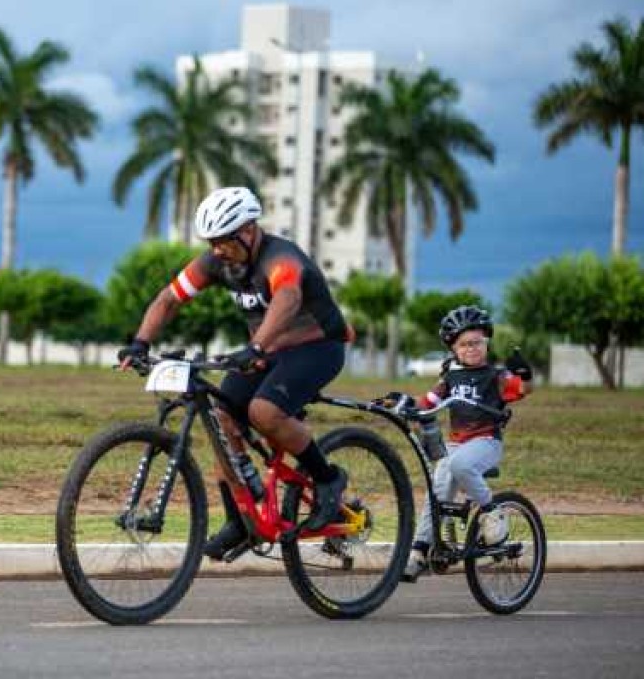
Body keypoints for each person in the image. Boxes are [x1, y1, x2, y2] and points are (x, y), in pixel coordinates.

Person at [117, 186, 353, 561]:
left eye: (223, 241)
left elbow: (288, 298)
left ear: (248, 231)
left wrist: (256, 347)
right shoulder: (217, 261)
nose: (217, 250)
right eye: (211, 242)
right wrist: (140, 343)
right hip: (268, 351)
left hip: (318, 347)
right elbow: (169, 299)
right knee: (222, 417)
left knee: (264, 412)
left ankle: (328, 479)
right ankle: (239, 520)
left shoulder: (281, 257)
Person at [401, 305, 535, 582]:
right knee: (437, 489)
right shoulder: (449, 376)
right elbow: (428, 402)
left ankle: (492, 513)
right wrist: (402, 402)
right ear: (453, 348)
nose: (471, 349)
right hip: (456, 444)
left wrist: (525, 375)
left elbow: (523, 390)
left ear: (486, 342)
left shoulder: (496, 376)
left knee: (460, 465)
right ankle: (420, 551)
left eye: (477, 342)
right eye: (464, 344)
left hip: (486, 442)